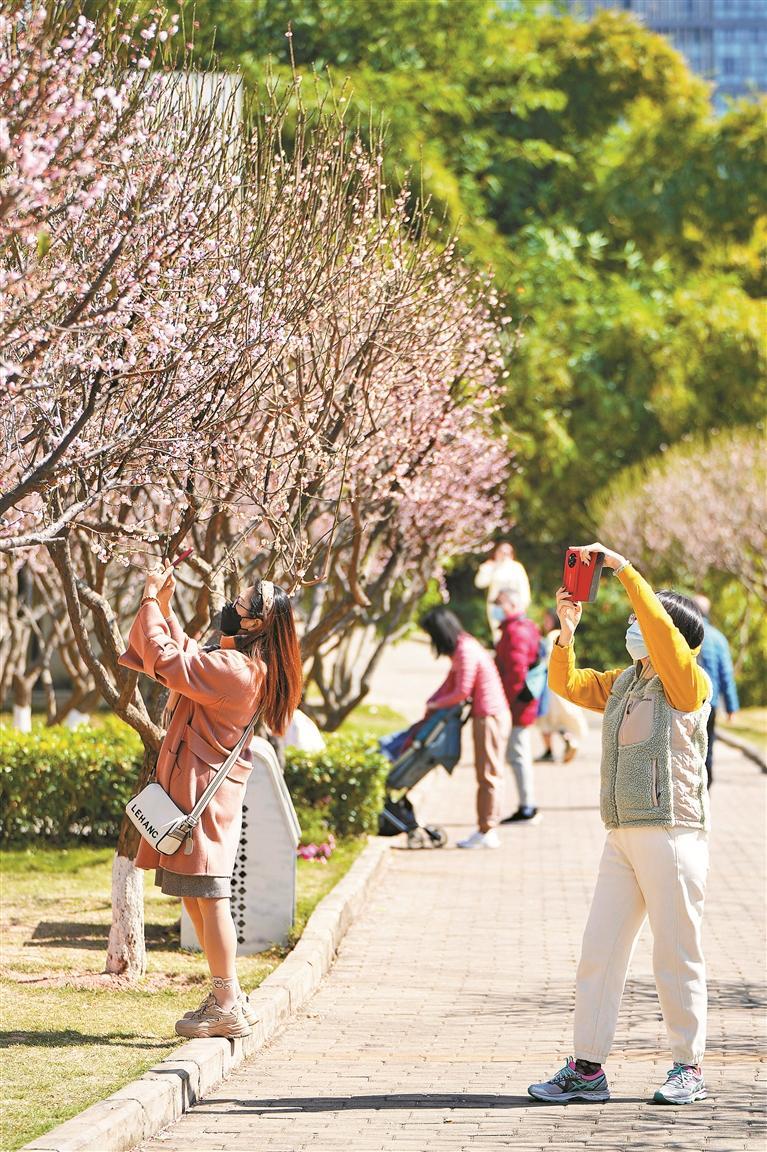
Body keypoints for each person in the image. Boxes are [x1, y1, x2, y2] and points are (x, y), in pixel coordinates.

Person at [528, 543, 712, 1107]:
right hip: (623, 834)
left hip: (672, 832)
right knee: (599, 953)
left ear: (668, 636)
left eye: (642, 621)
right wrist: (566, 631)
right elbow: (569, 685)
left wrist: (625, 570)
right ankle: (587, 1069)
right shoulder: (629, 680)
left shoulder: (687, 681)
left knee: (675, 955)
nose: (635, 627)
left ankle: (689, 1066)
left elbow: (659, 629)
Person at [119, 566, 303, 1039]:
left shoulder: (235, 671)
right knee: (199, 897)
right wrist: (163, 608)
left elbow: (169, 661)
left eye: (243, 604)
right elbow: (186, 657)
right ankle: (229, 995)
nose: (233, 607)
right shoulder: (243, 666)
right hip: (203, 790)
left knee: (211, 895)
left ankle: (226, 1002)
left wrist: (147, 604)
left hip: (201, 791)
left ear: (257, 624)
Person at [420, 606, 511, 850]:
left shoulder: (465, 650)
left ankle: (487, 830)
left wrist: (434, 704)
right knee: (486, 773)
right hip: (487, 716)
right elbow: (449, 684)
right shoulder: (464, 647)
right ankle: (485, 828)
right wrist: (431, 702)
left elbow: (461, 691)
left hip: (490, 717)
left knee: (489, 775)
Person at [494, 588, 543, 824]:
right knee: (517, 754)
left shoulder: (516, 632)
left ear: (512, 605)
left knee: (518, 755)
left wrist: (502, 703)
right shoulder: (522, 627)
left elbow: (515, 674)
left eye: (499, 603)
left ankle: (527, 807)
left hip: (517, 705)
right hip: (520, 702)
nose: (495, 608)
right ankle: (526, 805)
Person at [693, 594, 739, 787]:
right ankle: (705, 787)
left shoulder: (683, 633)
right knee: (707, 746)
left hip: (685, 701)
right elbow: (726, 675)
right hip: (709, 704)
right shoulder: (718, 638)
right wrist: (731, 707)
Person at [536, 607, 589, 764]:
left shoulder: (554, 635)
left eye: (548, 619)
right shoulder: (561, 633)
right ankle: (563, 744)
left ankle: (551, 749)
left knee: (546, 718)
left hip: (550, 683)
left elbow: (548, 659)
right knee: (555, 719)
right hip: (557, 680)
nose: (545, 622)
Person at [475, 542, 531, 643]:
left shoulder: (516, 567)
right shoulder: (492, 567)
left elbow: (524, 588)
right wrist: (486, 568)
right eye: (501, 552)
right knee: (498, 636)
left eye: (507, 553)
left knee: (515, 636)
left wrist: (523, 606)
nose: (504, 555)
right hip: (496, 608)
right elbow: (480, 583)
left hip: (514, 608)